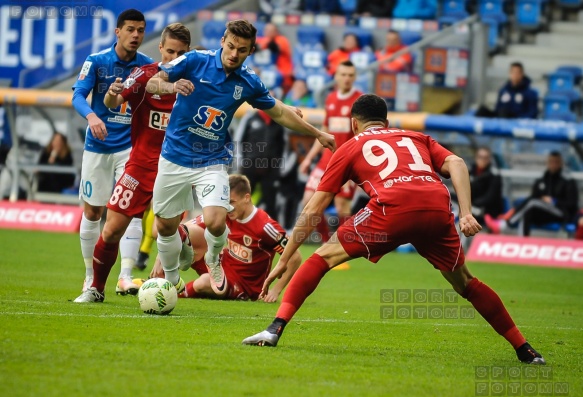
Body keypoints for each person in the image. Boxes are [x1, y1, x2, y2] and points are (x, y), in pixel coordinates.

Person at [242, 94, 546, 366]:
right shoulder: (417, 137)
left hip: (392, 210)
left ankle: (274, 329)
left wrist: (285, 260)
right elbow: (457, 162)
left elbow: (313, 209)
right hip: (437, 208)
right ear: (387, 122)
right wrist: (465, 212)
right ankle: (525, 349)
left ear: (354, 123)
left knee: (321, 259)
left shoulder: (350, 146)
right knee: (466, 283)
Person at [146, 20, 335, 296]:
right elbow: (153, 82)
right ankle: (172, 279)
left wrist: (316, 133)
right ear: (223, 40)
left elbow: (279, 112)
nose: (234, 54)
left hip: (211, 160)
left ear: (251, 51)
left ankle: (213, 259)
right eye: (231, 46)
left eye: (242, 50)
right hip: (174, 156)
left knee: (215, 219)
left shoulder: (248, 81)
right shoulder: (194, 60)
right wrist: (171, 88)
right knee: (163, 226)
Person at [73, 23, 192, 303]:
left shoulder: (197, 80)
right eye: (170, 51)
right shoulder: (143, 74)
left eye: (181, 53)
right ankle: (96, 288)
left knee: (164, 228)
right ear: (160, 48)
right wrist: (113, 92)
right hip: (140, 165)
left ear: (189, 53)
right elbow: (112, 101)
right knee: (112, 227)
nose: (174, 58)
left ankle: (176, 256)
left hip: (176, 168)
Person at [72, 9, 153, 293]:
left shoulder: (146, 67)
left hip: (130, 148)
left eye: (141, 30)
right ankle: (89, 275)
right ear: (117, 31)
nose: (136, 35)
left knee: (127, 211)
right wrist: (92, 117)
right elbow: (78, 95)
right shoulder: (96, 61)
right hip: (97, 146)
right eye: (130, 29)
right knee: (93, 212)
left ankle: (125, 276)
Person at [150, 174, 302, 302]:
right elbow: (183, 231)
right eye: (224, 202)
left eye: (231, 202)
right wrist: (160, 257)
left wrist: (276, 290)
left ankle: (170, 293)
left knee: (203, 282)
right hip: (221, 267)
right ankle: (162, 281)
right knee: (187, 231)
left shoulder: (264, 226)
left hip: (245, 286)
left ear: (246, 198)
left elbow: (295, 257)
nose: (227, 207)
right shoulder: (224, 213)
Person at [300, 60, 362, 242]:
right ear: (336, 77)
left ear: (355, 77)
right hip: (326, 160)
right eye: (343, 75)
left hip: (347, 163)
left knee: (342, 206)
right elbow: (324, 133)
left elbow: (363, 135)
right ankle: (326, 242)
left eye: (350, 75)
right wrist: (308, 159)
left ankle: (343, 246)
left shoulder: (359, 101)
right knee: (308, 200)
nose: (347, 79)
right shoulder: (331, 98)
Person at [485, 151, 578, 237]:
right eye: (551, 161)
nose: (553, 164)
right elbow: (534, 196)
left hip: (561, 212)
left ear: (561, 163)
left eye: (556, 162)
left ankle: (505, 224)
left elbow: (572, 204)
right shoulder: (542, 180)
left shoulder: (568, 181)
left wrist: (554, 201)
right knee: (527, 211)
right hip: (543, 213)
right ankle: (522, 243)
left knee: (533, 202)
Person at [233, 108, 285, 219]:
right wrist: (239, 161)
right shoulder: (250, 117)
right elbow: (238, 140)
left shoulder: (278, 122)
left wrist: (280, 167)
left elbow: (283, 145)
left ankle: (272, 231)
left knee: (271, 201)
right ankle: (236, 227)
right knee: (241, 197)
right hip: (250, 166)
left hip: (270, 168)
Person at [452, 146, 503, 225]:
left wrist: (472, 204)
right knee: (450, 196)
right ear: (476, 157)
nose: (482, 160)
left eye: (485, 157)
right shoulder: (469, 171)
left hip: (486, 210)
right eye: (480, 157)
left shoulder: (494, 175)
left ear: (489, 159)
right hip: (470, 206)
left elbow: (490, 197)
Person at [255, 23, 293, 91]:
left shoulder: (281, 39)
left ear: (276, 32)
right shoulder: (262, 39)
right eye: (266, 30)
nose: (267, 32)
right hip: (268, 71)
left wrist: (262, 44)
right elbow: (254, 46)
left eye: (271, 31)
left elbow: (273, 46)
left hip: (283, 74)